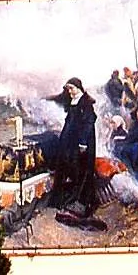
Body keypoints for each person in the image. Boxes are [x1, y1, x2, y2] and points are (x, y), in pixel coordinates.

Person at [50, 77, 103, 225]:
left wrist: (83, 143)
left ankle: (83, 202)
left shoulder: (85, 103)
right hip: (72, 141)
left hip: (83, 141)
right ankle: (67, 198)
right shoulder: (72, 100)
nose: (70, 92)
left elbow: (88, 123)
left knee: (83, 170)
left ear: (78, 88)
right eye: (68, 89)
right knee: (71, 166)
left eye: (71, 89)